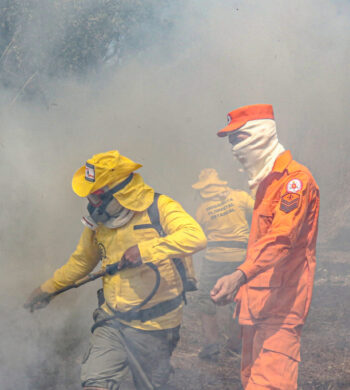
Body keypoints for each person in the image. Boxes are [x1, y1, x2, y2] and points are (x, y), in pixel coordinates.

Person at [24, 150, 206, 390]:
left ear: (118, 192)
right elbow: (81, 262)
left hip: (157, 325)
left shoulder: (159, 207)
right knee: (95, 383)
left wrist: (146, 250)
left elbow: (196, 237)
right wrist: (48, 289)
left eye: (95, 197)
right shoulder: (99, 224)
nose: (90, 204)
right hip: (113, 320)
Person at [210, 104, 320, 390]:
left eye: (238, 139)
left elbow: (282, 239)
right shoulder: (264, 185)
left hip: (281, 309)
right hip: (255, 308)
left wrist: (238, 275)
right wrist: (242, 293)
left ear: (259, 135)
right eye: (231, 142)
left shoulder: (294, 181)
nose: (234, 149)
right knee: (251, 383)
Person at [192, 168, 254, 360]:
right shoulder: (241, 197)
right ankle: (236, 346)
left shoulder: (202, 209)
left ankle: (212, 344)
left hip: (214, 258)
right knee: (238, 299)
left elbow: (197, 235)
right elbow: (260, 216)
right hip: (240, 257)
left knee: (205, 297)